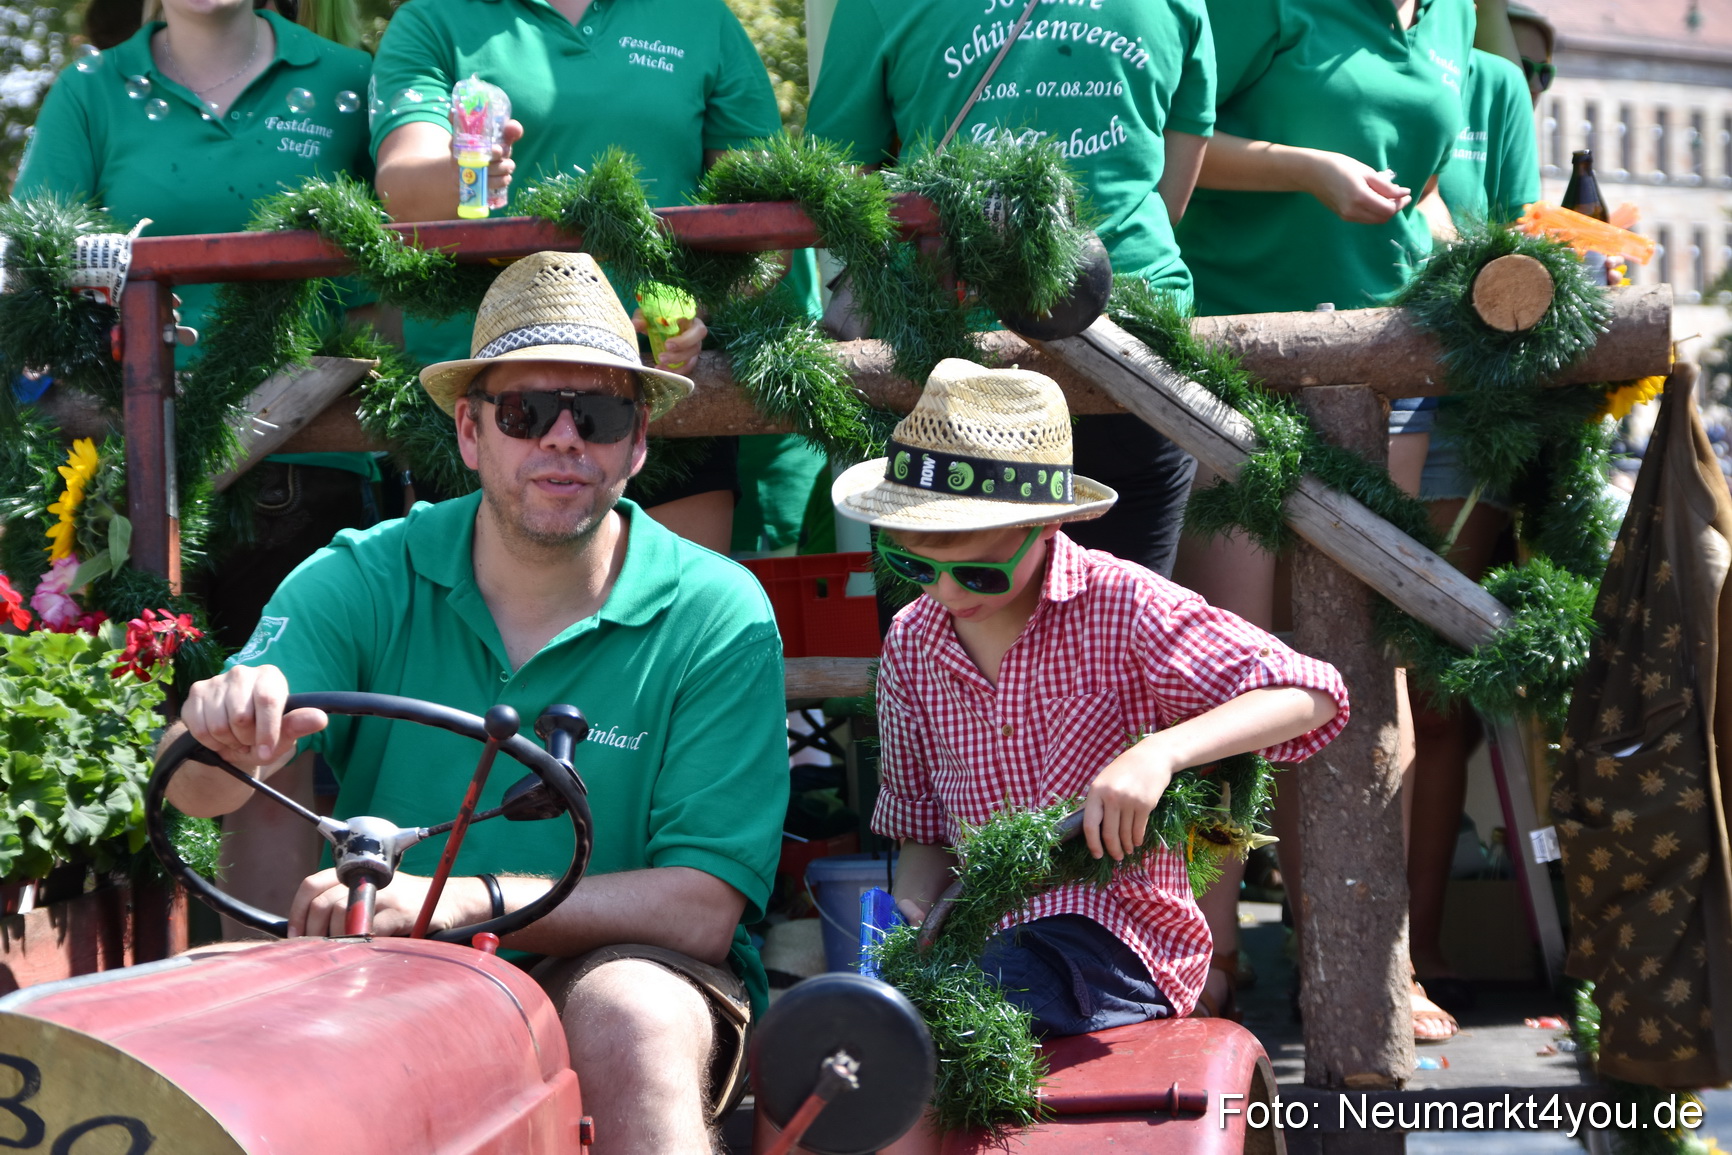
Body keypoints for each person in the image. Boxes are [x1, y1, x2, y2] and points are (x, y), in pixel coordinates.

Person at [162, 252, 791, 1155]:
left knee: (632, 1016)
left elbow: (701, 908)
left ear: (639, 440)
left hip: (613, 960)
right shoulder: (364, 572)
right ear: (470, 430)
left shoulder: (718, 611)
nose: (564, 439)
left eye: (601, 412)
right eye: (527, 411)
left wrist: (459, 898)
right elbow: (202, 792)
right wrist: (221, 730)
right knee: (201, 1021)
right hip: (386, 959)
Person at [830, 359, 1348, 1035]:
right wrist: (912, 908)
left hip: (1120, 941)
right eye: (915, 565)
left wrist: (1160, 754)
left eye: (979, 572)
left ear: (1046, 528)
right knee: (878, 1019)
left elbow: (1311, 692)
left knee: (964, 1008)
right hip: (979, 940)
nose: (948, 594)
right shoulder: (910, 640)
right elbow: (922, 828)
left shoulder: (1125, 604)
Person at [14, 0, 377, 930]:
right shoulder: (91, 92)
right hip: (127, 485)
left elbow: (395, 290)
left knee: (274, 739)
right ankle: (147, 1031)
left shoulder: (345, 82)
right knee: (129, 739)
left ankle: (274, 1005)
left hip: (311, 474)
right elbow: (34, 281)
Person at [1171, 0, 1475, 1037]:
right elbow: (1177, 147)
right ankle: (1199, 955)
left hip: (1384, 366)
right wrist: (1305, 168)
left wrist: (1478, 272)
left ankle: (1366, 963)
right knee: (1231, 671)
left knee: (1358, 673)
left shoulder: (1450, 23)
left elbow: (1420, 186)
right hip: (1234, 364)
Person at [366, 0, 824, 555]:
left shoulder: (703, 19)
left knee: (676, 631)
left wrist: (690, 307)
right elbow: (402, 193)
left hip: (660, 386)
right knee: (490, 637)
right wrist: (468, 170)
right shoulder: (434, 18)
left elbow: (762, 230)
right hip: (496, 394)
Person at [804, 0, 1216, 580]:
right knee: (1123, 624)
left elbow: (838, 178)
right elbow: (1174, 177)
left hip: (948, 343)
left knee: (946, 623)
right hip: (1132, 329)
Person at [1401, 22, 1542, 1021]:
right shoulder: (1301, 47)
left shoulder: (1491, 87)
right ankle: (1339, 940)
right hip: (1318, 377)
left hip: (1455, 408)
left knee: (1431, 695)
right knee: (1335, 680)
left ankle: (1417, 942)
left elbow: (1521, 253)